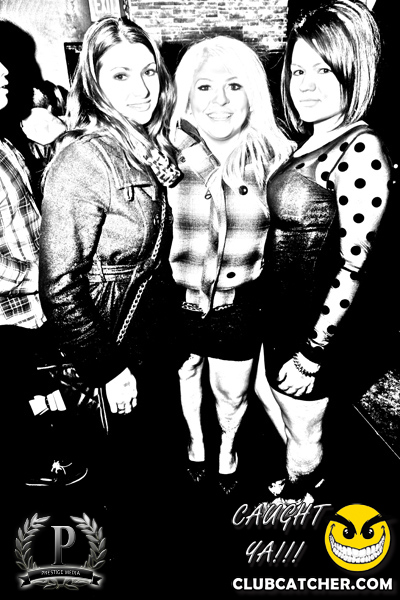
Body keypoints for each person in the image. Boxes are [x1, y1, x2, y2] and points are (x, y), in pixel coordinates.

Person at [256, 0, 393, 503]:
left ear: (353, 73)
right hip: (284, 314)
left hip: (314, 326)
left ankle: (304, 505)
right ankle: (307, 480)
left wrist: (313, 353)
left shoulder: (360, 147)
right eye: (298, 70)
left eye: (325, 71)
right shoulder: (310, 141)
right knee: (275, 404)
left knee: (305, 435)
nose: (306, 85)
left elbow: (355, 264)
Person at [39, 17, 182, 472]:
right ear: (94, 84)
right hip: (113, 346)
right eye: (120, 75)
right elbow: (60, 287)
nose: (142, 89)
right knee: (131, 474)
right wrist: (109, 369)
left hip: (148, 342)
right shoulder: (84, 158)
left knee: (156, 464)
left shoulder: (140, 145)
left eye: (148, 71)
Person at [168, 36, 294, 494]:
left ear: (252, 94)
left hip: (238, 305)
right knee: (186, 373)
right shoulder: (164, 156)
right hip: (176, 299)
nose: (219, 100)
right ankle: (196, 442)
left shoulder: (277, 160)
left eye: (234, 86)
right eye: (204, 87)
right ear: (187, 94)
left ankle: (227, 449)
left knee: (231, 393)